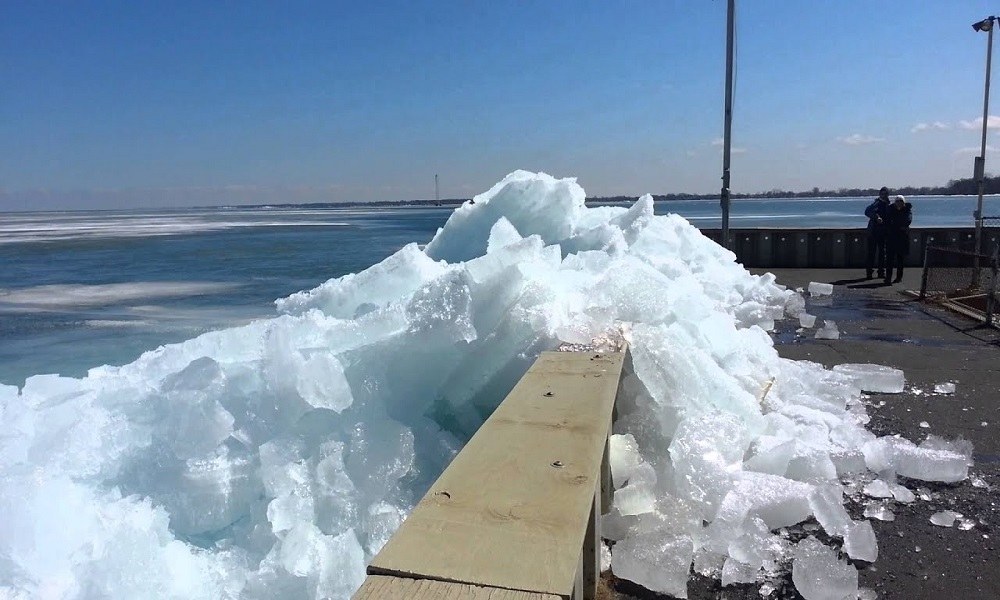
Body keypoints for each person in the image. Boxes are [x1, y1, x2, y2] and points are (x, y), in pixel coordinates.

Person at [884, 195, 912, 284]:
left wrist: (896, 223)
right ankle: (888, 278)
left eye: (901, 201)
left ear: (903, 202)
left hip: (902, 237)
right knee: (889, 259)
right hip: (891, 237)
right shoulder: (890, 209)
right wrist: (898, 225)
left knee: (900, 259)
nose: (899, 203)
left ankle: (899, 277)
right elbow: (887, 221)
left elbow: (907, 220)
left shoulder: (907, 210)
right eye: (897, 201)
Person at [864, 187, 891, 279]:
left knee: (882, 253)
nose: (884, 195)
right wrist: (876, 217)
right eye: (882, 194)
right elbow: (867, 212)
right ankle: (869, 273)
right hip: (873, 232)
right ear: (880, 194)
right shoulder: (876, 203)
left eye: (885, 194)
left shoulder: (889, 205)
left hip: (883, 232)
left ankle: (881, 272)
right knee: (871, 253)